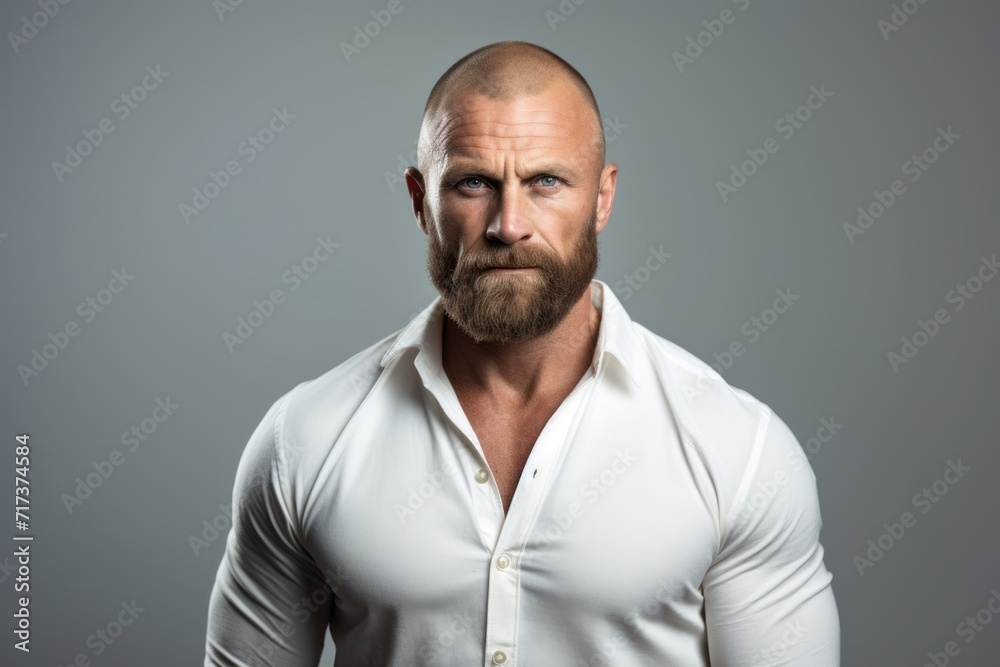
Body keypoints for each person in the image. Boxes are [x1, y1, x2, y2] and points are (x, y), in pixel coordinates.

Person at [205, 40, 840, 666]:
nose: (509, 224)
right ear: (419, 201)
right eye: (474, 183)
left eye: (546, 182)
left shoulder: (738, 451)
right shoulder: (306, 441)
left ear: (602, 198)